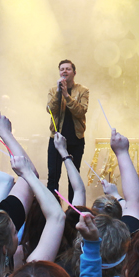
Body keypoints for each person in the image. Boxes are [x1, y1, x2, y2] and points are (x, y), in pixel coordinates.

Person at [46, 59, 89, 202]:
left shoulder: (83, 90)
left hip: (75, 139)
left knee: (73, 177)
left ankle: (73, 211)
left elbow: (81, 112)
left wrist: (66, 95)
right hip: (56, 139)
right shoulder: (53, 90)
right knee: (53, 176)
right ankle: (51, 208)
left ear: (74, 73)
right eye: (62, 69)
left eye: (68, 69)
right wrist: (59, 93)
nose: (64, 71)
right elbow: (50, 110)